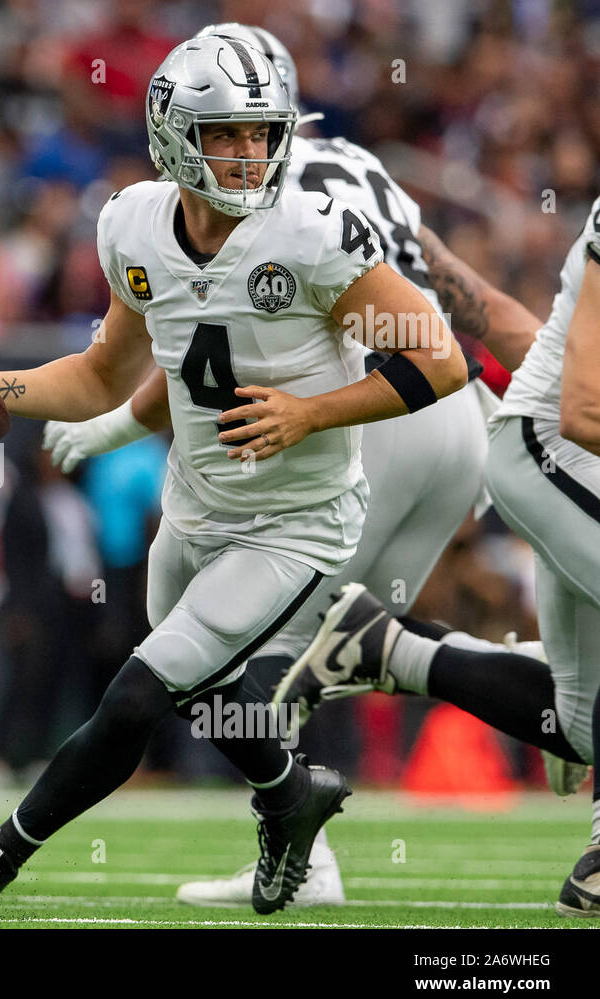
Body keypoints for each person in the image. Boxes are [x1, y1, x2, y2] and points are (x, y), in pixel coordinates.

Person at [0, 34, 466, 918]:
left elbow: (439, 361)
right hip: (195, 503)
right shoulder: (131, 223)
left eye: (263, 133)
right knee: (205, 690)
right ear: (173, 135)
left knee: (139, 692)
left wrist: (311, 412)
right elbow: (100, 373)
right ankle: (289, 796)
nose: (251, 154)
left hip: (298, 519)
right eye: (228, 134)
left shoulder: (310, 233)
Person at [40, 21, 544, 907]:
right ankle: (542, 693)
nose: (243, 151)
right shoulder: (359, 170)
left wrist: (114, 426)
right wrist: (551, 410)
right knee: (344, 642)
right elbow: (481, 307)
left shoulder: (255, 203)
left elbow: (210, 359)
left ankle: (306, 858)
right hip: (458, 423)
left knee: (247, 645)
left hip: (366, 410)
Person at [274, 192, 600, 919]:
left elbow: (527, 329)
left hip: (571, 460)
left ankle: (387, 648)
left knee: (579, 724)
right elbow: (579, 408)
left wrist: (425, 245)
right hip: (555, 453)